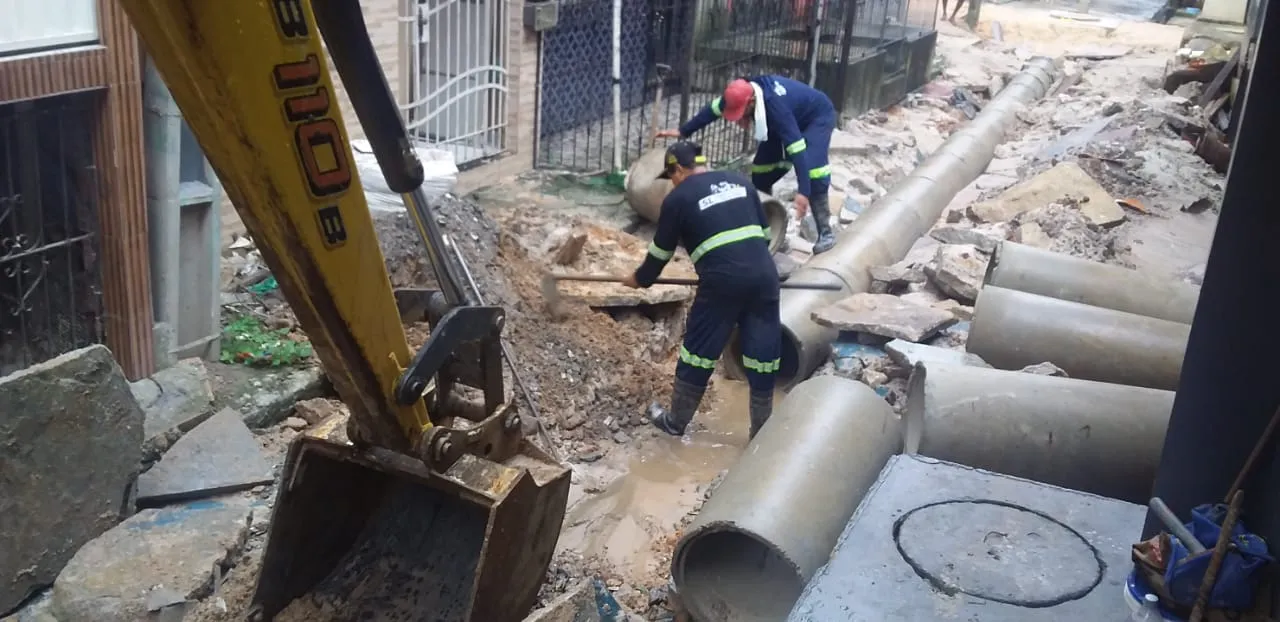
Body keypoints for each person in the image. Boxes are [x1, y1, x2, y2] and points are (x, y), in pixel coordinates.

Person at [622, 140, 782, 440]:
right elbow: (764, 234)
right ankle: (762, 432)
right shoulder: (739, 181)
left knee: (699, 351)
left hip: (721, 284)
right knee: (764, 352)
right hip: (764, 277)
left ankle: (675, 422)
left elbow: (660, 253)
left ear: (679, 170)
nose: (671, 183)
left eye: (671, 177)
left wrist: (639, 279)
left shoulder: (678, 199)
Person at [657, 75, 839, 253]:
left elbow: (797, 147)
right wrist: (683, 131)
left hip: (816, 117)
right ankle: (772, 232)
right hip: (784, 121)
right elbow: (713, 110)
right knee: (761, 171)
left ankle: (825, 232)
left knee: (814, 169)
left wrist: (803, 192)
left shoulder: (775, 107)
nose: (739, 119)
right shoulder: (739, 93)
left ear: (751, 102)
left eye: (741, 113)